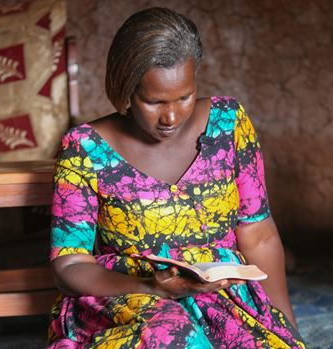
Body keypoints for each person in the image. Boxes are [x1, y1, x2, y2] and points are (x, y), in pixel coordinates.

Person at [48, 7, 305, 349]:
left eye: (183, 97)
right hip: (128, 298)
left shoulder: (229, 124)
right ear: (126, 90)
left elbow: (258, 234)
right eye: (153, 101)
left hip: (220, 299)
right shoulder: (84, 147)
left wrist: (287, 327)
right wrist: (151, 287)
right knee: (174, 339)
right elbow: (69, 264)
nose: (170, 116)